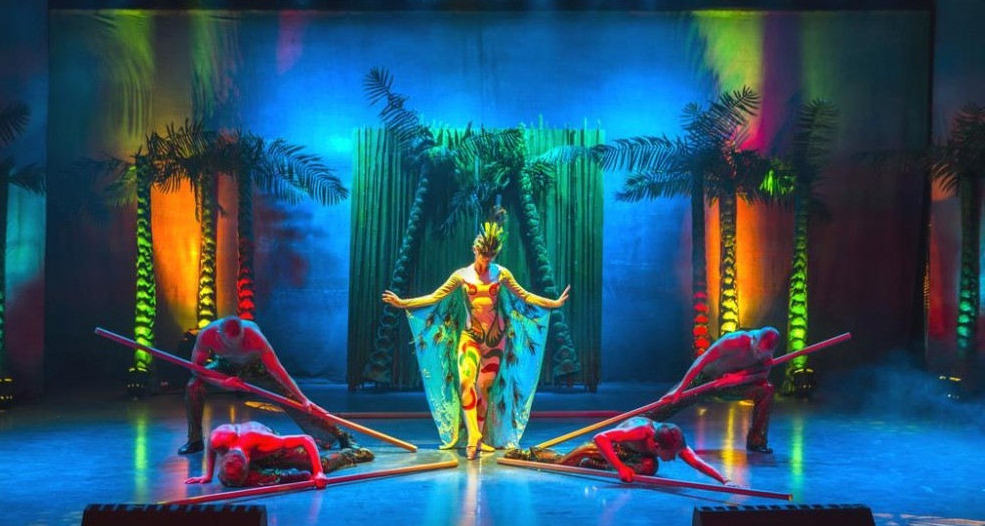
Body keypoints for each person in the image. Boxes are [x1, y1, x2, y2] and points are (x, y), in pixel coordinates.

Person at [382, 211, 569, 460]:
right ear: (475, 250)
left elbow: (524, 295)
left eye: (491, 255)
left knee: (484, 388)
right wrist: (403, 302)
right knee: (464, 382)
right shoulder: (462, 275)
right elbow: (435, 297)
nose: (487, 259)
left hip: (495, 339)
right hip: (470, 336)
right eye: (483, 254)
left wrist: (553, 303)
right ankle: (473, 437)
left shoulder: (501, 273)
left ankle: (478, 437)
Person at [178, 316, 364, 456]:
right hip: (225, 366)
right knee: (193, 386)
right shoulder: (207, 335)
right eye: (231, 344)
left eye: (240, 342)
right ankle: (195, 440)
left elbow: (278, 371)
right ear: (219, 336)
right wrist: (221, 382)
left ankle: (340, 436)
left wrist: (303, 399)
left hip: (256, 368)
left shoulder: (255, 338)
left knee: (294, 401)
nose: (237, 347)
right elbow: (196, 370)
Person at [505, 417, 737, 486]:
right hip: (612, 448)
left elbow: (695, 461)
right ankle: (528, 454)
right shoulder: (640, 431)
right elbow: (601, 438)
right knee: (563, 463)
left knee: (650, 466)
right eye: (672, 454)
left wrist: (725, 480)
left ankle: (598, 465)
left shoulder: (673, 440)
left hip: (633, 455)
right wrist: (619, 468)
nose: (676, 458)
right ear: (656, 446)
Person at [654, 327, 780, 453]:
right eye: (757, 351)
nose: (759, 356)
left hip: (730, 387)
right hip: (704, 381)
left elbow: (762, 375)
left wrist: (739, 379)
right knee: (669, 401)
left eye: (763, 354)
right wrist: (680, 389)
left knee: (766, 389)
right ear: (753, 339)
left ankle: (757, 442)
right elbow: (702, 360)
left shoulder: (766, 352)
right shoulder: (734, 341)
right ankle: (642, 427)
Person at [186, 421, 374, 488]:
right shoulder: (218, 438)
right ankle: (291, 478)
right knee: (235, 479)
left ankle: (353, 452)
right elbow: (210, 447)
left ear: (249, 461)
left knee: (319, 464)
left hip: (275, 453)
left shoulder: (265, 442)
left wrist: (318, 472)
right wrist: (208, 475)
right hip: (251, 457)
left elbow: (306, 439)